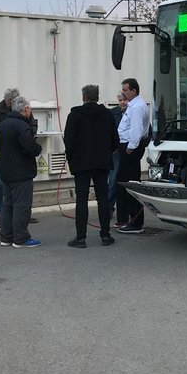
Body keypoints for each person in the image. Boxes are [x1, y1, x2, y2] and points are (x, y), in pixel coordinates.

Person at [64, 84, 118, 248]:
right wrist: (106, 152)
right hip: (102, 163)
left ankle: (81, 238)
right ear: (97, 96)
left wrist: (72, 158)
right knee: (102, 198)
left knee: (82, 199)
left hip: (81, 163)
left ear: (83, 97)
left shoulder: (74, 116)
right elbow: (115, 140)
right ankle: (105, 235)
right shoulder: (108, 115)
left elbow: (69, 141)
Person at [0, 96, 43, 248]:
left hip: (5, 170)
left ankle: (6, 237)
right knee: (21, 205)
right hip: (21, 172)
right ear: (26, 109)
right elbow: (30, 148)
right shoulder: (22, 126)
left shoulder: (3, 124)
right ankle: (21, 238)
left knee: (7, 204)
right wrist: (38, 148)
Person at [115, 77, 150, 234]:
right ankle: (125, 218)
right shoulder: (134, 105)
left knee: (130, 183)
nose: (123, 93)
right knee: (123, 182)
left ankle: (135, 222)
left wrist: (130, 148)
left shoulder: (137, 107)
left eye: (125, 90)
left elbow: (136, 129)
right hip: (127, 146)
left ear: (133, 91)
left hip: (130, 148)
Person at [0, 87, 20, 229]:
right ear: (6, 100)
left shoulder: (21, 107)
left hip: (18, 151)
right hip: (2, 151)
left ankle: (20, 212)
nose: (13, 104)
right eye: (11, 102)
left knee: (20, 181)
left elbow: (30, 123)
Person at [107, 92, 128, 206]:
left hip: (128, 150)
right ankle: (109, 206)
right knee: (112, 180)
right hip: (114, 151)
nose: (122, 103)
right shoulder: (112, 113)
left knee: (122, 179)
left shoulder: (133, 112)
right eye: (120, 100)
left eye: (125, 100)